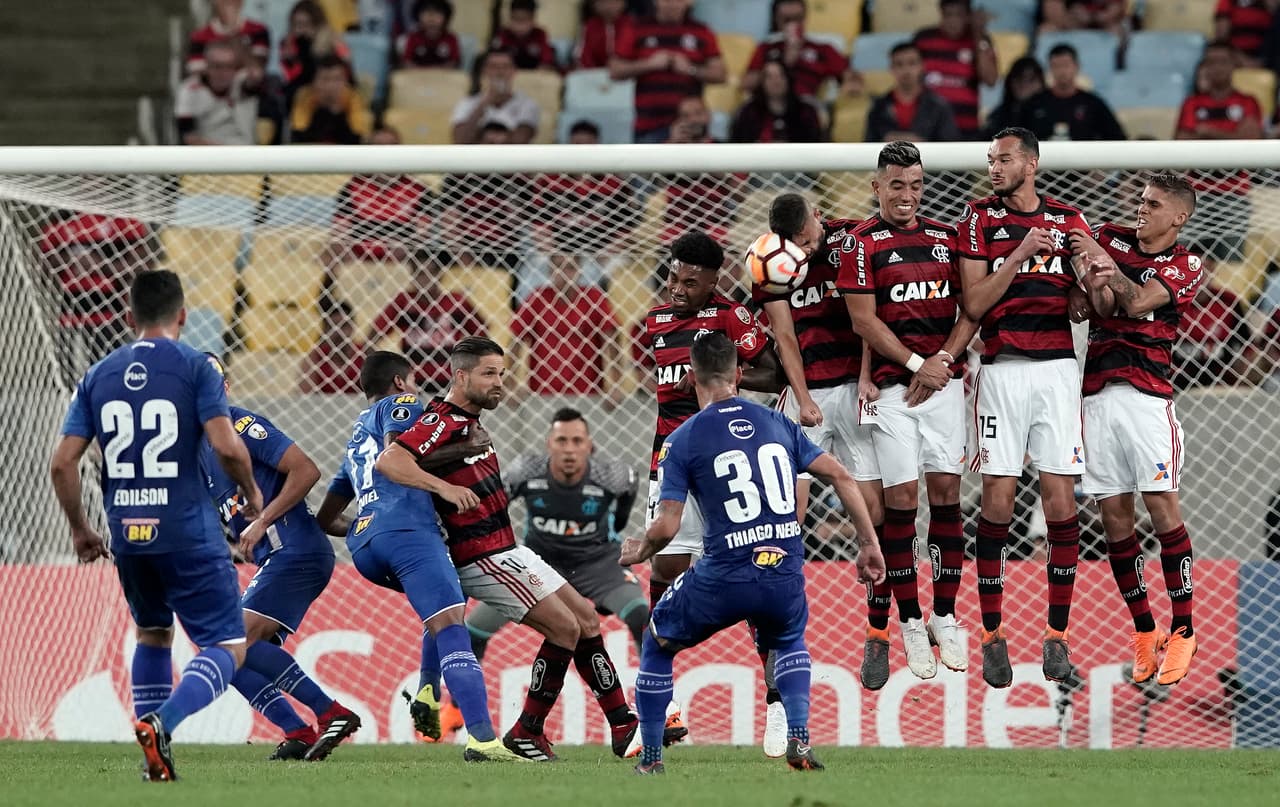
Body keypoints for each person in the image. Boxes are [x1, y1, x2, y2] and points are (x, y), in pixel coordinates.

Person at [619, 331, 886, 774]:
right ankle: (799, 741)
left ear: (691, 377)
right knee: (788, 640)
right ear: (739, 374)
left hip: (725, 573)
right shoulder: (779, 422)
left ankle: (650, 759)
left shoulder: (682, 438)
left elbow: (667, 525)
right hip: (784, 567)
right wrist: (868, 544)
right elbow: (841, 476)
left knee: (657, 641)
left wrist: (641, 547)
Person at [376, 337, 644, 762]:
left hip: (507, 548)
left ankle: (619, 723)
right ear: (461, 376)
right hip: (483, 554)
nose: (499, 382)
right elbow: (390, 461)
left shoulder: (467, 422)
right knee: (565, 629)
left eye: (501, 373)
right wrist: (443, 487)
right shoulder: (442, 419)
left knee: (586, 618)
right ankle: (531, 731)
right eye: (488, 373)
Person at [49, 270, 265, 781]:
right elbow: (227, 445)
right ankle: (162, 725)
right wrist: (252, 493)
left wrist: (81, 529)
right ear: (183, 316)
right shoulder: (195, 367)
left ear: (129, 318)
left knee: (151, 633)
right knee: (228, 646)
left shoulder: (97, 374)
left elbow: (62, 463)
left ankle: (153, 759)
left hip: (127, 532)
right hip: (187, 529)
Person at [314, 350, 521, 762]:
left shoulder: (356, 435)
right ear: (399, 383)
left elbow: (327, 516)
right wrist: (444, 487)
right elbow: (398, 456)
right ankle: (482, 739)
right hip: (408, 532)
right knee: (452, 625)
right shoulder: (403, 405)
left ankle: (427, 689)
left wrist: (362, 527)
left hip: (365, 547)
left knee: (441, 606)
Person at [634, 231, 783, 748]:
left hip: (724, 461)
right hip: (671, 460)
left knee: (751, 578)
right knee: (665, 568)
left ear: (713, 280)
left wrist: (727, 382)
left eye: (689, 281)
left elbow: (776, 370)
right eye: (673, 277)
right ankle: (664, 705)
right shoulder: (655, 323)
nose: (677, 288)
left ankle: (778, 704)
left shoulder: (730, 318)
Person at [957, 126, 1090, 689]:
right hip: (1004, 370)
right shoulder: (977, 218)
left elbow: (1088, 301)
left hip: (1059, 372)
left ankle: (1057, 637)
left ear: (1031, 164)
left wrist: (1090, 287)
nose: (994, 167)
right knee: (998, 502)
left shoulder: (1069, 219)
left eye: (1004, 159)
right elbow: (974, 301)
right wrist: (1019, 253)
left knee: (1061, 503)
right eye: (990, 159)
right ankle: (992, 636)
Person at [841, 141, 978, 682]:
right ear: (877, 187)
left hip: (943, 384)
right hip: (895, 394)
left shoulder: (947, 239)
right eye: (897, 185)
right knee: (901, 501)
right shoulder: (860, 244)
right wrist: (919, 364)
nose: (907, 195)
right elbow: (864, 323)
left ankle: (945, 614)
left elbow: (972, 309)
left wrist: (942, 360)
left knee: (947, 496)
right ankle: (911, 621)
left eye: (916, 185)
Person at [1066, 173, 1204, 687]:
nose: (1141, 209)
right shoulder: (1109, 237)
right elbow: (1099, 306)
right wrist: (1093, 279)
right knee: (1115, 522)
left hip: (1148, 401)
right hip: (1096, 397)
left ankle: (1185, 627)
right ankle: (1146, 631)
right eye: (1141, 201)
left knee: (1162, 511)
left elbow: (1140, 303)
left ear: (1179, 217)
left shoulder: (1186, 264)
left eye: (1153, 204)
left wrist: (1109, 273)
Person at [755, 194, 886, 698]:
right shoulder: (770, 261)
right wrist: (804, 399)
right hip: (806, 393)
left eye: (811, 241)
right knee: (786, 518)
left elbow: (870, 315)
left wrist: (867, 376)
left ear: (817, 217)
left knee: (873, 511)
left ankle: (878, 631)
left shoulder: (852, 239)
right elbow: (784, 336)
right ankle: (781, 642)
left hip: (857, 391)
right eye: (798, 246)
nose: (807, 252)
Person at [200, 355, 361, 760]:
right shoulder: (195, 450)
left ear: (226, 389)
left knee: (232, 641)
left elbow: (306, 470)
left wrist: (261, 521)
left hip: (296, 550)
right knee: (225, 657)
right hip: (275, 558)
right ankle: (297, 731)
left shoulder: (240, 426)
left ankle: (331, 712)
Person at [464, 408, 647, 661]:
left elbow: (630, 489)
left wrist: (617, 527)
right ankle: (457, 703)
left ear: (589, 446)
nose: (569, 449)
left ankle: (654, 698)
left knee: (642, 619)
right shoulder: (525, 471)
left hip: (598, 564)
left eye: (577, 441)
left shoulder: (613, 476)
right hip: (539, 565)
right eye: (562, 441)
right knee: (473, 631)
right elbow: (492, 507)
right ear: (549, 444)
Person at [1175, 41, 1262, 262]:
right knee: (1182, 260)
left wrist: (1206, 132)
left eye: (1223, 61)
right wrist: (1230, 135)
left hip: (1234, 194)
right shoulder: (1192, 103)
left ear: (1234, 65)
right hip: (1196, 194)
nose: (1217, 68)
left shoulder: (1247, 102)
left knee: (1231, 265)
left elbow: (1250, 141)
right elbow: (1182, 144)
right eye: (1211, 62)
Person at [509, 252, 625, 408]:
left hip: (588, 395)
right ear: (550, 271)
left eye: (570, 267)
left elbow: (613, 338)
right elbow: (515, 341)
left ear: (579, 270)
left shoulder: (593, 297)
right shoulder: (537, 298)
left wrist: (616, 385)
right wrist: (511, 385)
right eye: (558, 266)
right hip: (542, 396)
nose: (564, 273)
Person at [609, 0, 727, 143]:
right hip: (649, 125)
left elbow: (721, 74)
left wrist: (690, 69)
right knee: (649, 165)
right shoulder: (637, 28)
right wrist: (648, 64)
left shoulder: (702, 31)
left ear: (689, 2)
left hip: (691, 124)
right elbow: (614, 70)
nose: (672, 4)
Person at [367, 262, 484, 394]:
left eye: (430, 274)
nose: (425, 279)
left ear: (439, 276)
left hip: (450, 379)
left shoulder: (456, 301)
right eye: (420, 274)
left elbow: (481, 335)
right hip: (413, 381)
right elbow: (374, 334)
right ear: (413, 277)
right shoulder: (403, 301)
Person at [740, 0, 859, 100]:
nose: (793, 24)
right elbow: (747, 84)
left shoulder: (823, 48)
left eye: (798, 19)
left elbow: (849, 76)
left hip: (807, 107)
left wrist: (851, 84)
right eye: (787, 20)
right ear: (777, 20)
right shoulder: (766, 47)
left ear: (805, 18)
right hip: (770, 105)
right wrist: (784, 60)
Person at [913, 0, 998, 139]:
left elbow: (991, 80)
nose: (953, 21)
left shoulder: (980, 40)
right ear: (941, 14)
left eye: (959, 15)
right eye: (948, 15)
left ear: (968, 17)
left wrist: (978, 34)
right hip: (928, 129)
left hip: (966, 129)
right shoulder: (923, 39)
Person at [1017, 44, 1125, 142]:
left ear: (1076, 67)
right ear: (1050, 69)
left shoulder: (1093, 104)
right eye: (1056, 66)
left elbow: (1117, 138)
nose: (1062, 71)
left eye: (1066, 65)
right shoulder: (1034, 104)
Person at [865, 42, 960, 143]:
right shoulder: (878, 107)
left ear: (922, 67)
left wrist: (920, 144)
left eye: (912, 63)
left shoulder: (939, 106)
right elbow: (868, 147)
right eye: (899, 64)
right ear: (891, 69)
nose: (906, 70)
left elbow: (950, 147)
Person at [175, 38, 264, 146]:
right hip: (208, 155)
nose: (223, 72)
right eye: (217, 66)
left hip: (245, 153)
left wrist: (238, 42)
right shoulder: (190, 89)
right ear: (207, 67)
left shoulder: (242, 83)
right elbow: (188, 137)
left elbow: (256, 74)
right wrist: (223, 153)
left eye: (229, 66)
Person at [450, 49, 541, 144]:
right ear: (484, 70)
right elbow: (460, 141)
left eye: (505, 67)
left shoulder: (527, 104)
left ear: (514, 71)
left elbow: (521, 141)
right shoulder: (467, 103)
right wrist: (483, 104)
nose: (500, 72)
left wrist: (484, 139)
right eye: (493, 67)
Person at [730, 61, 825, 144]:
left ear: (788, 79)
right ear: (762, 82)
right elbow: (738, 146)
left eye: (780, 75)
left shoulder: (806, 111)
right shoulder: (748, 112)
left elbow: (816, 147)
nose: (776, 81)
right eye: (769, 77)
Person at [279, 0, 353, 103]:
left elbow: (347, 71)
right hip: (302, 91)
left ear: (316, 24)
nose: (299, 30)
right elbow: (292, 76)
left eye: (304, 25)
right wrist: (294, 56)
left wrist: (317, 49)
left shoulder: (332, 40)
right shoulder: (289, 44)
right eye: (295, 25)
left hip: (333, 88)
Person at [289, 54, 373, 144]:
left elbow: (358, 138)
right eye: (325, 79)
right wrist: (322, 112)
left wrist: (337, 112)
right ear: (314, 81)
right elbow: (299, 137)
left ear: (345, 81)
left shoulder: (353, 97)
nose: (331, 86)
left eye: (337, 79)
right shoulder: (305, 96)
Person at [187, 0, 270, 75]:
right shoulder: (199, 37)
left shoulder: (258, 31)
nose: (229, 2)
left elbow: (257, 71)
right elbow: (196, 72)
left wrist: (234, 32)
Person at [299, 300, 365, 394]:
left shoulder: (365, 357)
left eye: (343, 326)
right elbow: (305, 398)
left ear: (353, 327)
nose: (338, 333)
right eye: (332, 327)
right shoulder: (314, 359)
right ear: (325, 330)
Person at [983, 56, 1045, 139]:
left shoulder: (1050, 112)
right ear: (1010, 82)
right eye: (1019, 78)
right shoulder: (999, 115)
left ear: (1041, 82)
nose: (1024, 84)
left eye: (1031, 79)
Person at [492, 0, 558, 70]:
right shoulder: (503, 34)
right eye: (515, 19)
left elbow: (547, 61)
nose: (519, 26)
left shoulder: (540, 34)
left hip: (534, 75)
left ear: (533, 20)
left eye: (524, 20)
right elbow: (494, 60)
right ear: (510, 18)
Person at [397, 0, 462, 69]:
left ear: (446, 18)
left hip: (444, 76)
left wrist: (437, 71)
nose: (431, 18)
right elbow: (407, 61)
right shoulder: (413, 38)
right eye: (426, 13)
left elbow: (455, 62)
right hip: (417, 76)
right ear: (417, 17)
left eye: (437, 13)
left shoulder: (451, 38)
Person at [1215, 0, 1277, 66]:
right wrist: (1242, 59)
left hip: (1266, 56)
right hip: (1236, 55)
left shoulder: (1268, 4)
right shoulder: (1228, 2)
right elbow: (1222, 37)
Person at [575, 0, 633, 69]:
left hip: (624, 70)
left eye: (614, 2)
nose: (608, 6)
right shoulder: (590, 26)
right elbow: (584, 54)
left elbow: (626, 50)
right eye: (603, 2)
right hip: (595, 72)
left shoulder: (629, 23)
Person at [1038, 0, 1127, 36]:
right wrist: (1070, 22)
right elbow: (1052, 10)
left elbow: (1117, 8)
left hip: (1102, 26)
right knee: (1046, 30)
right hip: (1069, 25)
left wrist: (1099, 19)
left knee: (1117, 31)